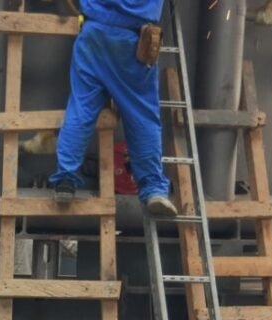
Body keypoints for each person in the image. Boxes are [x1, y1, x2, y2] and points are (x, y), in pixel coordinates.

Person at [48, 0, 177, 218]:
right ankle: (153, 188)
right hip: (133, 41)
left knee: (81, 108)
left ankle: (65, 180)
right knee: (142, 115)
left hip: (93, 33)